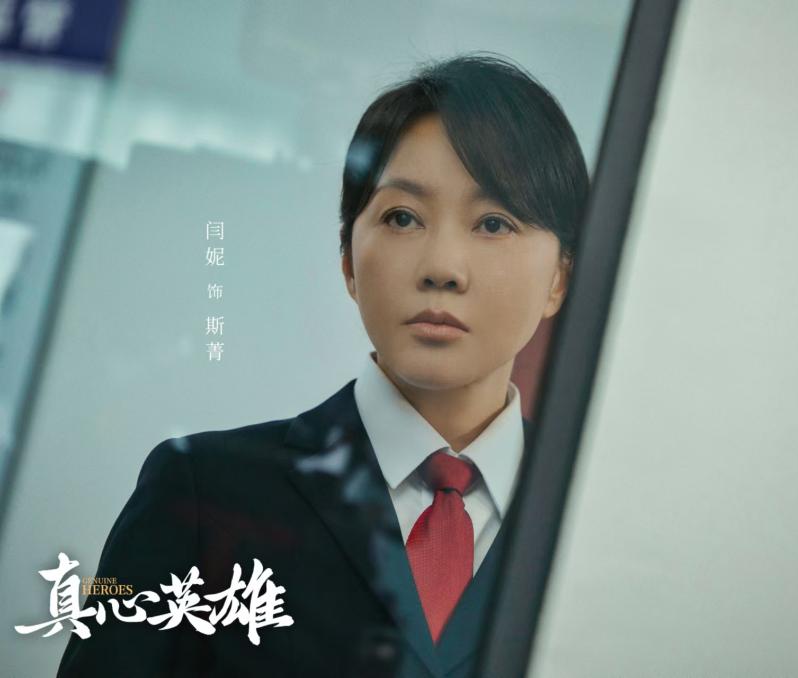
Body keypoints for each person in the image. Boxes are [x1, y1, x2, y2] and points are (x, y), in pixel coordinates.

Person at [56, 52, 588, 678]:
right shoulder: (200, 491)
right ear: (348, 260)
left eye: (493, 223)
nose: (443, 267)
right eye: (402, 217)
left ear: (559, 279)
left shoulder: (589, 525)